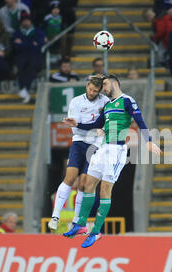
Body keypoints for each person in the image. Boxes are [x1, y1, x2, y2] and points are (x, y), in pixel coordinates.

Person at [62, 74, 162, 248]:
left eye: (105, 84)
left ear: (115, 84)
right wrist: (76, 123)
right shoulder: (107, 105)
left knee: (104, 190)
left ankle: (96, 232)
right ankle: (81, 225)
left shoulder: (127, 101)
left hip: (117, 151)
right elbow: (95, 124)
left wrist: (149, 141)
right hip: (103, 148)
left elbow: (140, 121)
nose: (103, 88)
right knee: (87, 184)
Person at [48, 76, 109, 232]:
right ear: (86, 86)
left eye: (95, 91)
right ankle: (55, 216)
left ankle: (76, 221)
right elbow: (76, 128)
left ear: (99, 91)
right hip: (79, 142)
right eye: (90, 89)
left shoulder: (104, 102)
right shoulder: (76, 101)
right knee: (69, 177)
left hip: (95, 145)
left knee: (83, 184)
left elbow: (104, 124)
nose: (91, 92)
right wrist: (95, 128)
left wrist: (98, 129)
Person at [12, 12, 46, 103]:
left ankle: (24, 89)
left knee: (32, 66)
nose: (26, 23)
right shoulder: (17, 33)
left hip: (36, 58)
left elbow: (40, 46)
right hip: (22, 58)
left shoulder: (38, 32)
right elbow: (16, 46)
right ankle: (24, 90)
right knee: (21, 67)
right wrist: (32, 44)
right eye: (24, 21)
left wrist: (23, 44)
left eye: (28, 21)